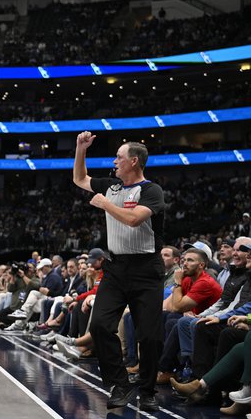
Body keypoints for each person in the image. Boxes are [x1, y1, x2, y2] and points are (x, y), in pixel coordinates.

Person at [73, 131, 166, 412]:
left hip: (146, 269)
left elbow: (134, 220)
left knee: (149, 335)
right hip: (116, 269)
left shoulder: (151, 191)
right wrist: (80, 149)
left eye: (119, 157)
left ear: (134, 161)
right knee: (100, 325)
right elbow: (79, 179)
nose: (114, 162)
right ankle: (120, 383)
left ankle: (148, 390)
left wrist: (105, 204)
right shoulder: (111, 186)